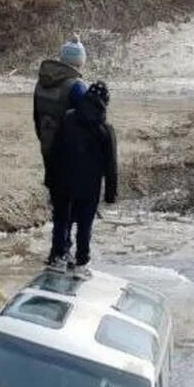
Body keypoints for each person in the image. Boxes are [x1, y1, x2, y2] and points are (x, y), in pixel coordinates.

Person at [46, 81, 118, 279]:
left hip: (63, 181)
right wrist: (110, 195)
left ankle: (59, 258)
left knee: (62, 220)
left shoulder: (68, 119)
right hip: (89, 186)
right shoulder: (105, 129)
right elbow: (110, 165)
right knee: (85, 226)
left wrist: (50, 179)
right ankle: (81, 263)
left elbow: (54, 152)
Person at [34, 34, 89, 193]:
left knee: (54, 191)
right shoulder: (77, 87)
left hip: (47, 141)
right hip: (70, 150)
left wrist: (45, 138)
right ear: (80, 61)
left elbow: (36, 116)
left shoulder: (42, 82)